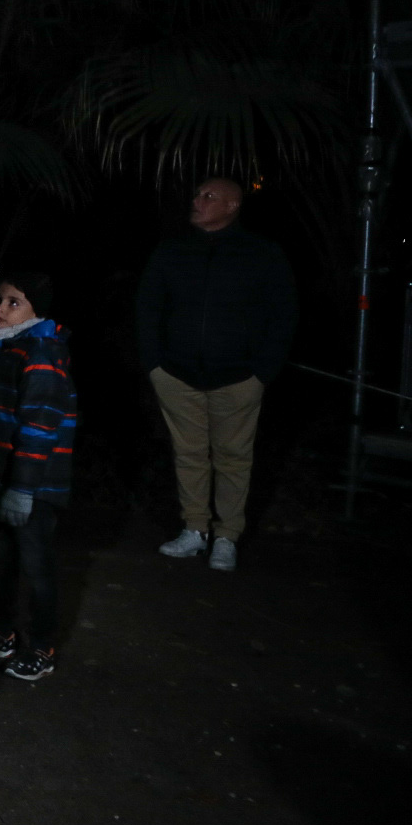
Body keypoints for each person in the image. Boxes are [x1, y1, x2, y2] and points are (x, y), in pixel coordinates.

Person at [137, 178, 295, 573]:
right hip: (177, 374)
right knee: (188, 454)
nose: (196, 201)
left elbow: (283, 314)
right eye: (196, 194)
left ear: (232, 205)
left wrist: (263, 371)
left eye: (208, 196)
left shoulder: (262, 253)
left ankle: (227, 537)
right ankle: (194, 529)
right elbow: (148, 307)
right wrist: (155, 364)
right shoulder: (172, 251)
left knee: (233, 458)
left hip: (239, 377)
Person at [0, 273, 77, 682]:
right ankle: (3, 631)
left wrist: (23, 489)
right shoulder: (5, 348)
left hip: (33, 488)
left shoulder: (42, 353)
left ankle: (42, 647)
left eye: (14, 302)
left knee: (36, 567)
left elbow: (39, 426)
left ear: (36, 310)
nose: (0, 309)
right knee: (1, 560)